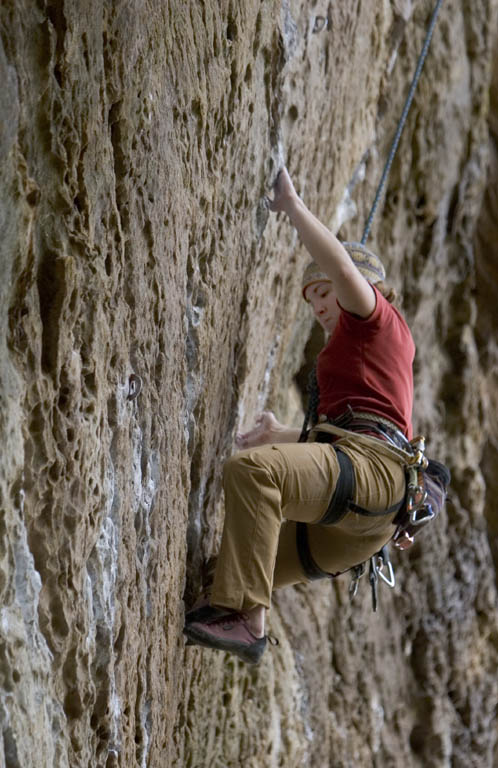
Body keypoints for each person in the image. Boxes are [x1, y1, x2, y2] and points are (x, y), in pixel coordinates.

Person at [183, 168, 415, 664]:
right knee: (218, 576)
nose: (318, 306)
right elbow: (355, 434)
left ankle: (249, 622)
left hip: (373, 477)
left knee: (253, 473)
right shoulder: (367, 355)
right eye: (311, 299)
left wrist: (292, 207)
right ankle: (238, 612)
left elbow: (345, 269)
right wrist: (284, 434)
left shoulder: (376, 321)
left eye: (323, 292)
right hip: (358, 528)